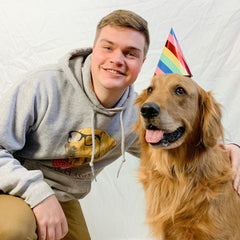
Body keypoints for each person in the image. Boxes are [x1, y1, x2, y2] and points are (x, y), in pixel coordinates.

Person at [0, 9, 239, 240]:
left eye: (130, 53)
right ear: (94, 49)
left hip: (60, 197)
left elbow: (192, 141)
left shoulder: (135, 116)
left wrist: (232, 149)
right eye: (108, 47)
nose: (117, 59)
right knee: (14, 230)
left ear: (142, 62)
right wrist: (38, 194)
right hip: (10, 186)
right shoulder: (41, 87)